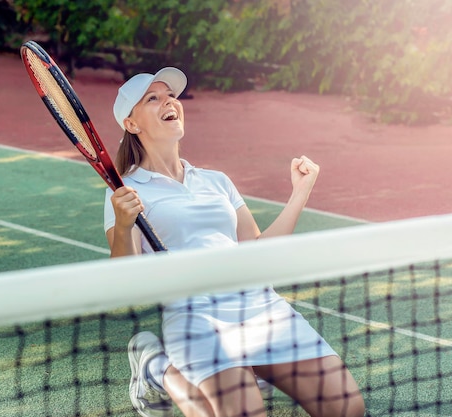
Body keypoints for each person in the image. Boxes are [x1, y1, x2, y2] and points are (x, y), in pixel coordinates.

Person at [104, 67, 365, 417]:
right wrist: (123, 225)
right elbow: (125, 281)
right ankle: (157, 368)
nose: (169, 101)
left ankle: (247, 369)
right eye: (153, 98)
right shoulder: (127, 193)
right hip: (197, 317)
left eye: (171, 95)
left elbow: (255, 251)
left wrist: (299, 194)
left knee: (346, 410)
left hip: (260, 307)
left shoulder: (216, 181)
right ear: (132, 124)